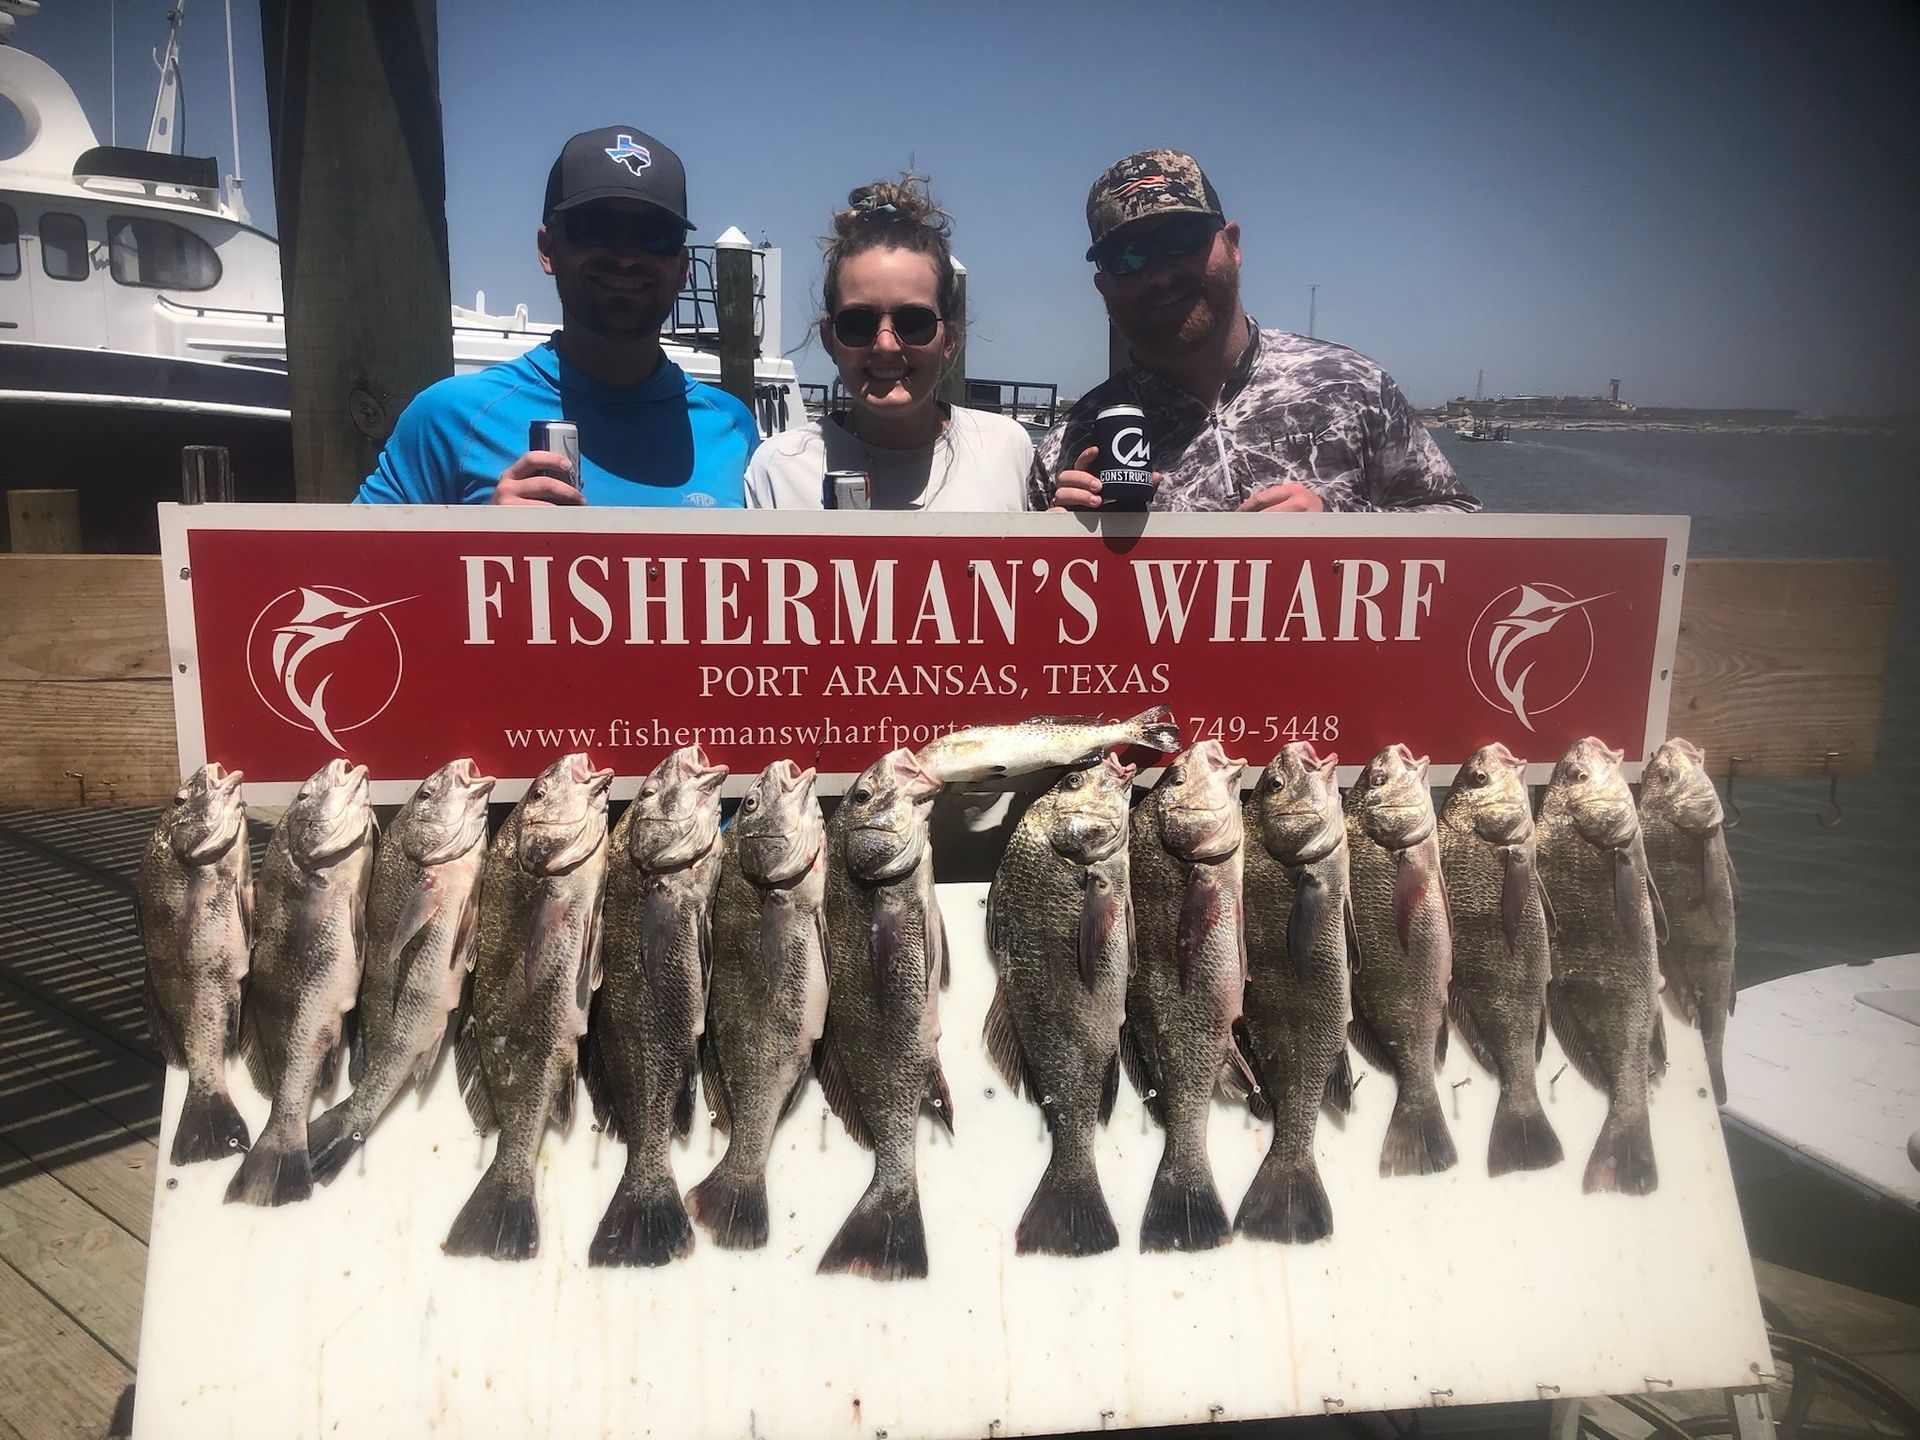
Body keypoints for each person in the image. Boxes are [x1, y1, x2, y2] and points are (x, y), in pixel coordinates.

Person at [1033, 149, 1478, 515]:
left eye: (1182, 237)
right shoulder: (1067, 445)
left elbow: (1464, 528)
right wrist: (1055, 546)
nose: (1160, 273)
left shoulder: (1354, 387)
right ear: (1103, 285)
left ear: (1233, 245)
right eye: (1128, 257)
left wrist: (1341, 527)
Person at [356, 126, 758, 508]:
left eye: (655, 235)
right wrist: (475, 539)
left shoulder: (733, 428)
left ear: (683, 267)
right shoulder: (447, 419)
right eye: (595, 228)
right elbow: (348, 573)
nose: (626, 255)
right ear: (547, 249)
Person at [745, 175, 1031, 512]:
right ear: (829, 338)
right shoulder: (778, 468)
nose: (885, 344)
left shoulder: (1008, 449)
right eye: (857, 323)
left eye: (913, 322)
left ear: (950, 339)